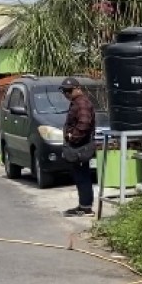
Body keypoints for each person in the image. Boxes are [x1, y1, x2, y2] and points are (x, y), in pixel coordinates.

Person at [60, 77, 97, 217]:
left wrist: (72, 137)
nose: (67, 94)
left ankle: (86, 207)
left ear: (77, 88)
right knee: (80, 176)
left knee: (83, 177)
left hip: (81, 146)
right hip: (79, 146)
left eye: (69, 91)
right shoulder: (77, 102)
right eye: (64, 91)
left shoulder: (82, 103)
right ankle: (83, 205)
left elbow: (84, 123)